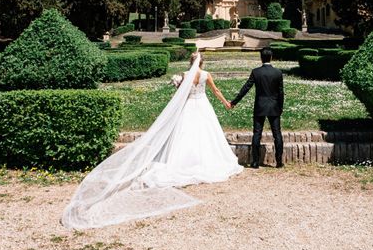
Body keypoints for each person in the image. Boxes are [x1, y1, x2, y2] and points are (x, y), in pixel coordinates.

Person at [62, 52, 242, 229]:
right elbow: (215, 90)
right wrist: (226, 103)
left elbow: (181, 95)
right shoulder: (205, 75)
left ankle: (181, 163)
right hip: (202, 106)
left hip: (188, 107)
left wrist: (176, 84)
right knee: (205, 135)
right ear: (202, 63)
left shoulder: (185, 75)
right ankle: (204, 161)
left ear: (190, 62)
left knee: (184, 134)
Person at [228, 47, 284, 168]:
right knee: (277, 134)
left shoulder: (256, 72)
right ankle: (279, 162)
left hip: (260, 106)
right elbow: (281, 92)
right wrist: (280, 107)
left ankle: (255, 162)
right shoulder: (278, 73)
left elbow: (246, 88)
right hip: (274, 106)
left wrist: (234, 102)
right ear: (271, 57)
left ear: (261, 58)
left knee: (257, 134)